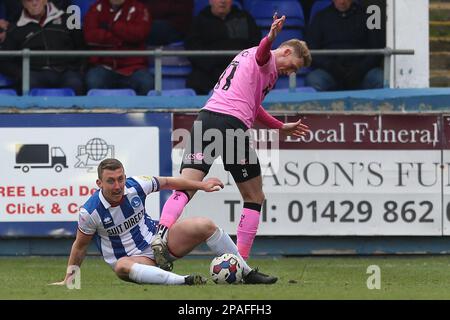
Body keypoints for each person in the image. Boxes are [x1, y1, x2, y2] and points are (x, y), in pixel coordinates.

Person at [150, 15, 311, 271]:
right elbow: (264, 51)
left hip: (206, 119)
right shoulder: (266, 58)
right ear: (287, 50)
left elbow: (255, 107)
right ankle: (241, 262)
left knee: (186, 185)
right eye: (293, 65)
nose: (291, 72)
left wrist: (281, 126)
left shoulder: (251, 61)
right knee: (254, 196)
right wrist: (270, 36)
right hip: (231, 126)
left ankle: (159, 234)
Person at [51, 158, 277, 286]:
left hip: (161, 242)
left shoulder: (136, 185)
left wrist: (202, 185)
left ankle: (247, 273)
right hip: (134, 260)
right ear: (99, 183)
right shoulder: (90, 212)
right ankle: (184, 281)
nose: (118, 185)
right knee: (121, 267)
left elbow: (169, 182)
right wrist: (69, 279)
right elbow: (80, 247)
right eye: (111, 181)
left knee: (205, 225)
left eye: (120, 178)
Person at [0, 0, 85, 95]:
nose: (34, 3)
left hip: (66, 71)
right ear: (23, 4)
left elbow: (82, 48)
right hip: (35, 73)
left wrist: (76, 69)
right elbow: (4, 60)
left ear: (45, 1)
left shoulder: (68, 19)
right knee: (28, 84)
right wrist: (22, 74)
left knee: (75, 84)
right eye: (29, 1)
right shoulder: (15, 29)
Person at [185, 0, 261, 95]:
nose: (222, 1)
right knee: (196, 81)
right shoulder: (199, 21)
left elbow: (256, 45)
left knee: (260, 78)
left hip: (241, 70)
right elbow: (193, 49)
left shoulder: (245, 18)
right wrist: (213, 68)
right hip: (210, 72)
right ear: (210, 1)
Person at [305, 0, 384, 91]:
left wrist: (361, 69)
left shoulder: (368, 17)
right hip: (330, 73)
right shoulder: (320, 17)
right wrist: (330, 66)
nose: (342, 1)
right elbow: (311, 49)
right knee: (314, 80)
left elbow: (377, 48)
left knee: (380, 79)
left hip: (363, 73)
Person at [83, 0, 154, 95]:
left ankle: (142, 110)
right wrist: (122, 38)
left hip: (133, 67)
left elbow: (139, 33)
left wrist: (111, 26)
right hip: (104, 66)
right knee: (93, 80)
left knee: (146, 82)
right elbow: (90, 36)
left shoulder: (139, 8)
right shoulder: (96, 8)